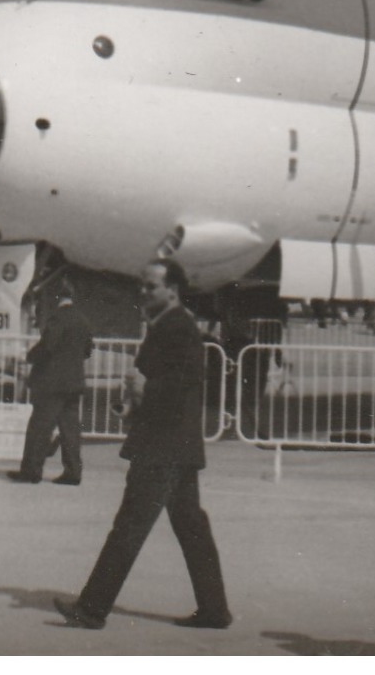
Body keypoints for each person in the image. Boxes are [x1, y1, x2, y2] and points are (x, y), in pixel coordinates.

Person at [55, 258, 231, 631]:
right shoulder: (167, 325)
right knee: (191, 529)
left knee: (130, 526)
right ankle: (215, 610)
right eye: (143, 286)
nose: (144, 291)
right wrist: (134, 401)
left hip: (162, 448)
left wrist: (142, 389)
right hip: (177, 446)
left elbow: (180, 383)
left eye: (152, 286)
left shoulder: (177, 327)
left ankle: (91, 608)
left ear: (173, 289)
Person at [10, 279, 94, 485]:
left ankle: (31, 470)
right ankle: (73, 472)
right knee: (70, 429)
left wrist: (28, 357)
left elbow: (47, 346)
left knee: (39, 427)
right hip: (74, 382)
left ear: (55, 298)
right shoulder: (82, 320)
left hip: (51, 382)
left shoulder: (57, 318)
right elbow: (87, 350)